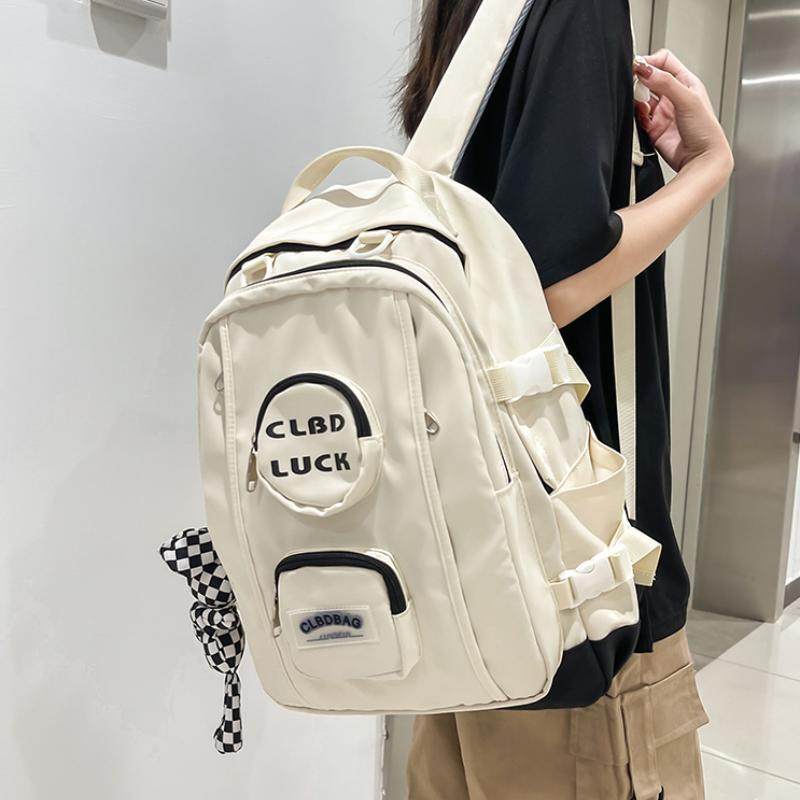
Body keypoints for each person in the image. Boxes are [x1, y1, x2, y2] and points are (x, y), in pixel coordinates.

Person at [397, 1, 733, 798]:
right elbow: (550, 284)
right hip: (583, 582)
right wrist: (709, 168)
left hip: (469, 564)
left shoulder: (471, 20)